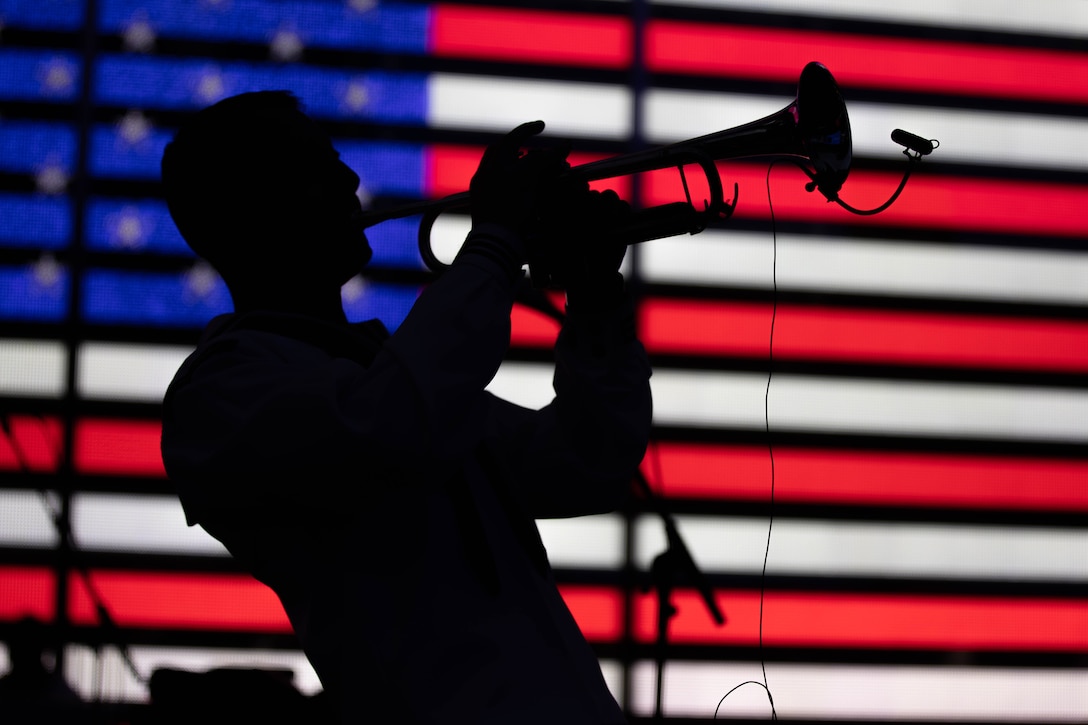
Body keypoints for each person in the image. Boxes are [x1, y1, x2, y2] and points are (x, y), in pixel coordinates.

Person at [159, 90, 652, 724]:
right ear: (255, 208)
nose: (350, 179)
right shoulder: (221, 395)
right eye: (318, 165)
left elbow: (586, 462)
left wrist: (596, 299)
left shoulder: (377, 368)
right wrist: (496, 243)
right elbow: (392, 425)